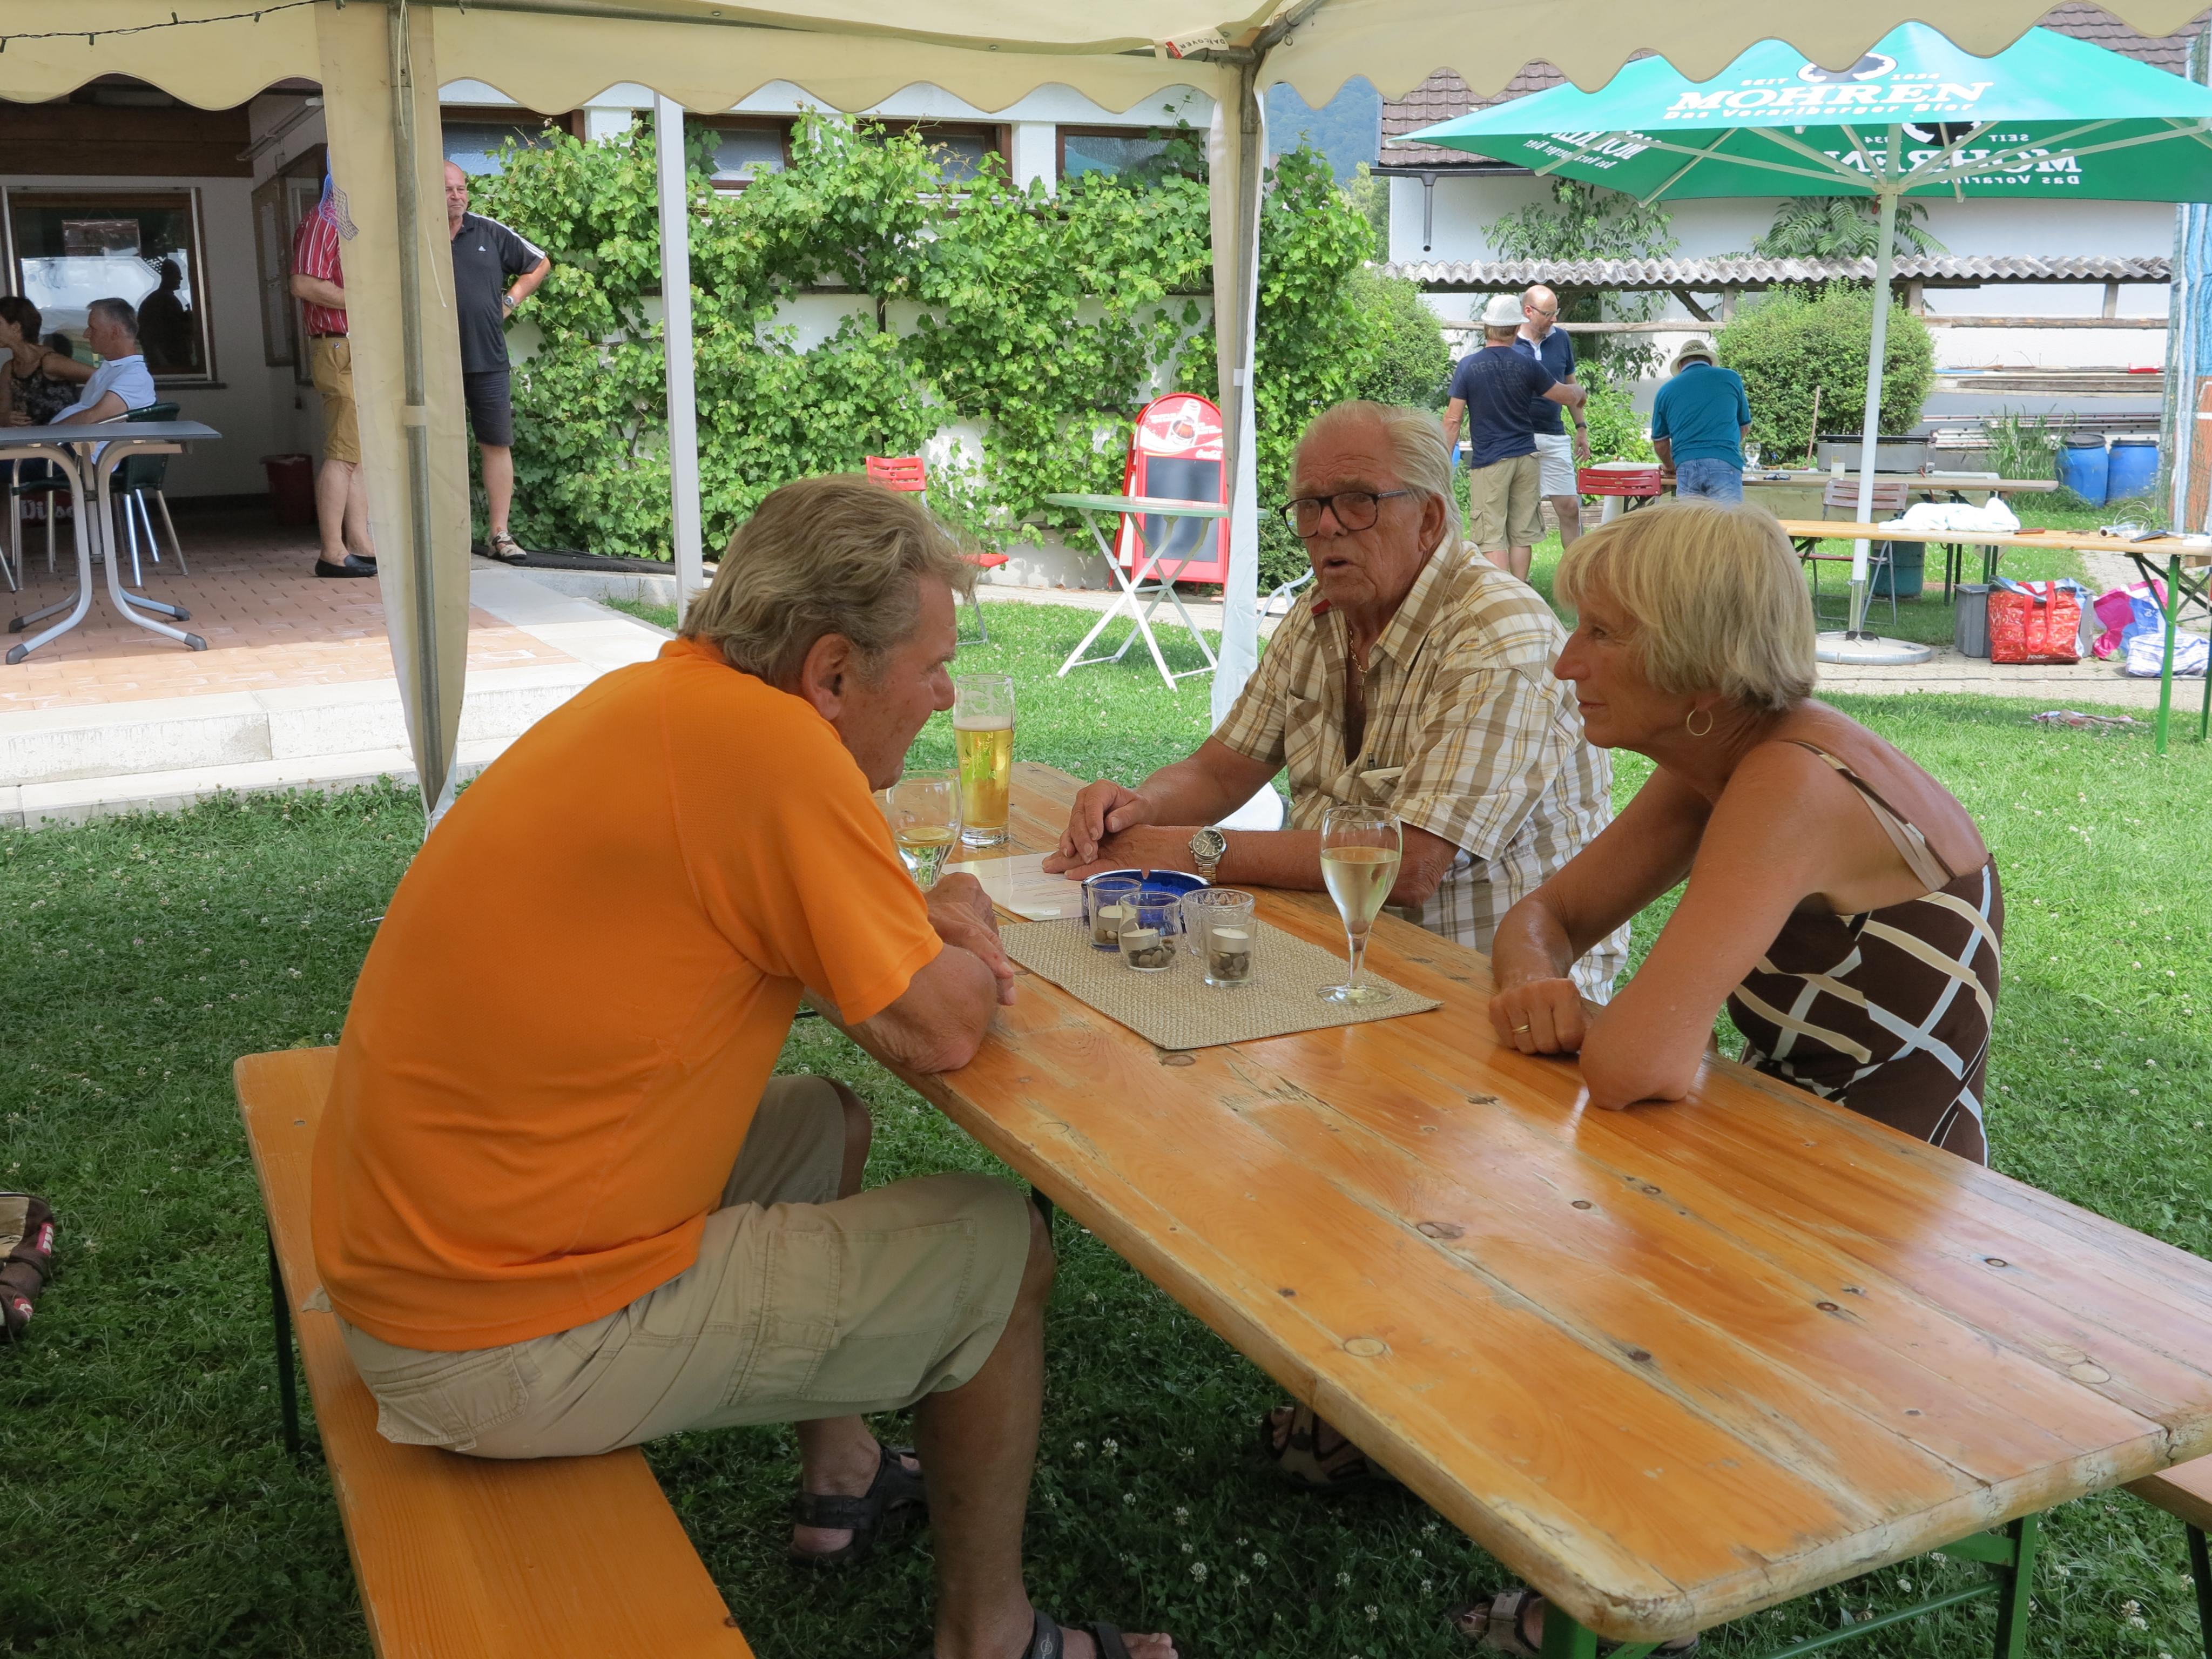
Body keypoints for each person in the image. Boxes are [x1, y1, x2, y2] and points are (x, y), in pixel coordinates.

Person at [311, 474, 1175, 1659]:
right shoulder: (775, 757)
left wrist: (924, 925)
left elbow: (827, 933)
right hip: (488, 1340)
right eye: (932, 665)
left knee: (824, 1122)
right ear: (832, 674)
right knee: (1000, 1246)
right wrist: (966, 923)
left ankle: (843, 1469)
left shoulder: (675, 703)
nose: (945, 692)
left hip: (417, 1254)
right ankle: (993, 1636)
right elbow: (940, 1028)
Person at [1048, 399, 1622, 1500]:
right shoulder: (1322, 617)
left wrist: (1197, 851)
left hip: (1489, 990)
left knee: (1258, 1114)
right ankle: (1350, 1378)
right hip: (1349, 961)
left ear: (1430, 516)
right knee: (1143, 1073)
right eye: (1310, 503)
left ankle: (1413, 1402)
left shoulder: (1499, 637)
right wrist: (1136, 808)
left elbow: (1410, 862)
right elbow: (1225, 765)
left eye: (1356, 501)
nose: (1324, 526)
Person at [1457, 500, 1998, 1655]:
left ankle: (1642, 1580)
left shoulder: (1785, 783)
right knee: (1460, 1209)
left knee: (1490, 1233)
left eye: (1600, 633)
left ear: (1696, 664)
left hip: (1876, 1223)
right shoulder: (1724, 757)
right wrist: (1533, 979)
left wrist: (1578, 1015)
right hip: (1778, 1157)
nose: (1565, 662)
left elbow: (1635, 1064)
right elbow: (1542, 916)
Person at [443, 161, 551, 564]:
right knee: (436, 445)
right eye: (448, 189)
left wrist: (509, 301)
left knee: (496, 443)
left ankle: (500, 535)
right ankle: (439, 535)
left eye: (461, 188)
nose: (457, 196)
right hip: (433, 363)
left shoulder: (488, 231)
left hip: (487, 358)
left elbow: (539, 263)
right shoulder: (416, 236)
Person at [1441, 292, 1586, 581]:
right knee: (1522, 533)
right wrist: (1579, 393)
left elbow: (1453, 420)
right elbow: (1564, 394)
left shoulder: (1468, 366)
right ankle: (1521, 588)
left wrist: (1443, 461)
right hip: (1526, 457)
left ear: (1487, 327)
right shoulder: (1528, 365)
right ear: (1516, 327)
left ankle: (1503, 593)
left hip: (1491, 461)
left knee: (1492, 534)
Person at [291, 180, 377, 578]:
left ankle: (359, 544)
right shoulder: (324, 220)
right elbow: (303, 284)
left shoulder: (346, 221)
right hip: (339, 346)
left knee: (355, 453)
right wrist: (364, 298)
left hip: (353, 345)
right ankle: (331, 552)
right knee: (342, 455)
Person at [1514, 284, 1588, 549]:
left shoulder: (1561, 339)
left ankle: (1575, 569)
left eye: (1555, 312)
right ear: (1528, 311)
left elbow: (1571, 385)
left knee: (1570, 506)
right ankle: (1516, 573)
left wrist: (1581, 428)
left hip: (1554, 434)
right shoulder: (1509, 340)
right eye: (1548, 314)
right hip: (1519, 437)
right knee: (1521, 512)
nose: (1554, 319)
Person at [1650, 338, 1751, 504]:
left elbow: (1660, 444)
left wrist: (1670, 466)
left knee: (1691, 521)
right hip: (1725, 465)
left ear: (1681, 365)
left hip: (1686, 466)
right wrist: (1723, 449)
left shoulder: (1665, 391)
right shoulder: (1731, 379)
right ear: (1710, 362)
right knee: (1727, 520)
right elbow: (1744, 427)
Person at [53, 298, 156, 424]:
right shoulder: (111, 369)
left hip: (79, 437)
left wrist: (44, 434)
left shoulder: (135, 376)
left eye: (93, 328)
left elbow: (94, 417)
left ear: (114, 332)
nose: (86, 334)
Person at [0, 296, 92, 428]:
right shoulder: (9, 369)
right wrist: (6, 419)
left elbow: (103, 378)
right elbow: (4, 413)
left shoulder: (50, 362)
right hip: (31, 440)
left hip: (64, 438)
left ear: (16, 327)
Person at [136, 258, 195, 375]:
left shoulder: (158, 299)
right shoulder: (166, 300)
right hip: (171, 361)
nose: (181, 279)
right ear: (168, 277)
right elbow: (174, 332)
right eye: (177, 275)